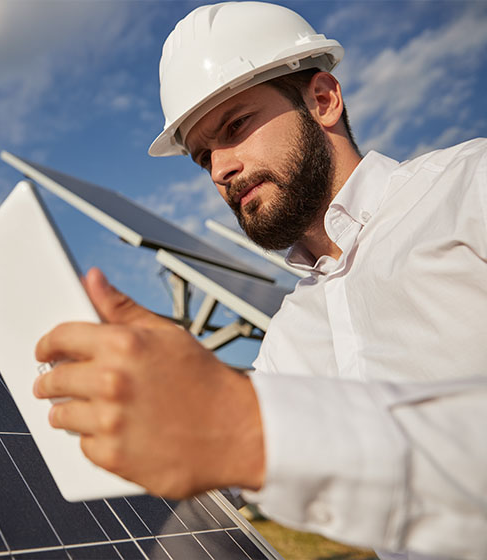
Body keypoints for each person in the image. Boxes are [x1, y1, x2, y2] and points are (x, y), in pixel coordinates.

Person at [33, 2, 487, 559]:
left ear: (322, 99)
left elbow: (249, 431)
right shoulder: (292, 337)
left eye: (236, 126)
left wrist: (250, 431)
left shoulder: (470, 189)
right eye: (203, 158)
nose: (220, 169)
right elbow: (207, 485)